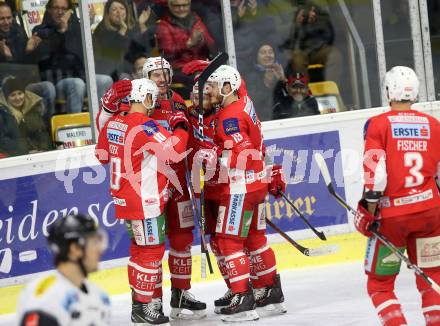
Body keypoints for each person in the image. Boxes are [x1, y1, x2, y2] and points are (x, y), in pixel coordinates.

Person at [97, 57, 207, 320]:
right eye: (154, 75)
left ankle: (162, 298)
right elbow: (173, 149)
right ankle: (149, 304)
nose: (161, 80)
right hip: (148, 193)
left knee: (163, 244)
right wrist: (181, 127)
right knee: (151, 250)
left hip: (157, 189)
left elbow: (103, 152)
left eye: (164, 73)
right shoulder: (141, 120)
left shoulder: (121, 120)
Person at [355, 66, 440, 326]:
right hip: (430, 214)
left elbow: (377, 176)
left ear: (389, 91)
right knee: (433, 277)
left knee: (380, 284)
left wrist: (367, 210)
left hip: (393, 219)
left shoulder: (378, 124)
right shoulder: (434, 125)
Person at [203, 64, 286, 322]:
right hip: (257, 184)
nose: (212, 90)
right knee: (255, 239)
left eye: (216, 86)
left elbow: (241, 152)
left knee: (229, 241)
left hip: (239, 187)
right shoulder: (245, 102)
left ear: (228, 88)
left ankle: (243, 299)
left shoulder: (229, 116)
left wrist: (214, 156)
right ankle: (270, 292)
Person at [16, 213, 111, 325]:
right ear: (75, 248)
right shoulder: (46, 295)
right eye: (94, 243)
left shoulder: (100, 296)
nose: (100, 250)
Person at [26, 0, 112, 113]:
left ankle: (101, 123)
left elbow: (82, 56)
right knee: (76, 84)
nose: (60, 12)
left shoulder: (76, 29)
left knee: (105, 80)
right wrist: (62, 32)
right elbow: (45, 58)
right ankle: (75, 127)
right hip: (55, 81)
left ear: (69, 11)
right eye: (56, 8)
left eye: (63, 8)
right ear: (49, 10)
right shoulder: (40, 30)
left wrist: (85, 28)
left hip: (80, 77)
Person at [0, 2, 56, 121]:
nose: (6, 22)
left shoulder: (19, 32)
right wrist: (6, 58)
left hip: (24, 85)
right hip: (4, 89)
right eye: (2, 19)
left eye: (9, 18)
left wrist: (29, 51)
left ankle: (46, 126)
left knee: (48, 87)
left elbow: (29, 68)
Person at [283, 1, 341, 83]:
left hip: (318, 48)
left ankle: (330, 89)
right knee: (297, 60)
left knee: (334, 55)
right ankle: (303, 91)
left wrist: (315, 23)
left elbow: (329, 33)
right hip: (299, 50)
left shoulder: (317, 8)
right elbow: (287, 39)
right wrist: (297, 24)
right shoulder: (286, 10)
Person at [156, 0, 215, 70]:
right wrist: (188, 44)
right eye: (177, 6)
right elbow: (167, 54)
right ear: (170, 6)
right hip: (178, 69)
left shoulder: (196, 20)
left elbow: (212, 46)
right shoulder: (164, 25)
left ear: (189, 5)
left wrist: (203, 40)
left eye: (185, 5)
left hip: (201, 66)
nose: (181, 9)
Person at [0, 76, 52, 153]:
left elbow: (42, 133)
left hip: (39, 154)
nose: (17, 98)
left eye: (20, 93)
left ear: (24, 93)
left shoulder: (33, 109)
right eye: (13, 95)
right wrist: (27, 151)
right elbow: (3, 141)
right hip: (15, 157)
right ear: (6, 97)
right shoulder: (2, 113)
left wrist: (43, 148)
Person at [92, 0, 140, 79]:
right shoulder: (101, 30)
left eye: (122, 8)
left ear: (127, 12)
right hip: (110, 72)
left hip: (132, 70)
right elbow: (114, 51)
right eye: (114, 9)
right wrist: (122, 30)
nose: (119, 12)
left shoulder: (132, 28)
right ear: (108, 14)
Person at [245, 42, 287, 121]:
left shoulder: (280, 70)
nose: (268, 55)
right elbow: (253, 103)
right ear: (256, 57)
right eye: (263, 52)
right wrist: (266, 84)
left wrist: (283, 80)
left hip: (283, 120)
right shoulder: (251, 76)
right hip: (264, 121)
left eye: (270, 52)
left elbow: (291, 99)